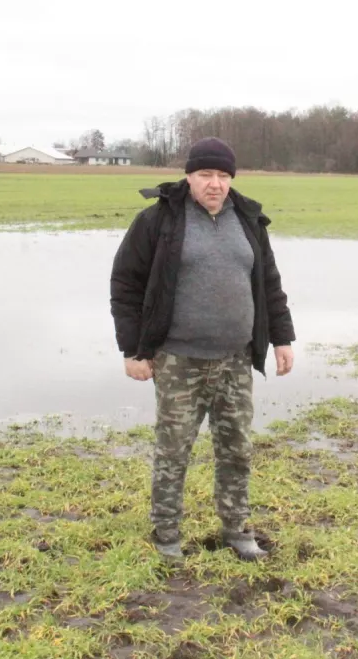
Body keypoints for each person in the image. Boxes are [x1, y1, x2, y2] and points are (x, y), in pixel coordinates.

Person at [110, 137, 295, 561]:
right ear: (189, 176)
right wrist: (133, 350)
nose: (215, 184)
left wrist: (282, 338)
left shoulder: (248, 220)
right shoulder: (159, 222)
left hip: (235, 360)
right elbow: (125, 285)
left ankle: (236, 529)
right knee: (173, 452)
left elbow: (268, 282)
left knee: (237, 451)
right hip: (178, 360)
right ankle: (167, 535)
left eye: (223, 176)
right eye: (205, 175)